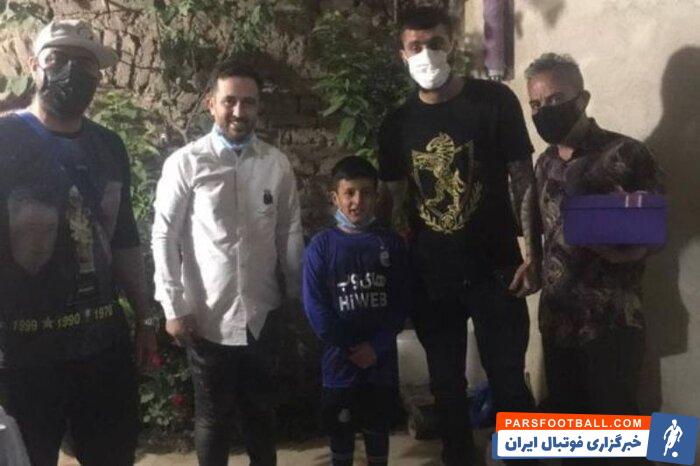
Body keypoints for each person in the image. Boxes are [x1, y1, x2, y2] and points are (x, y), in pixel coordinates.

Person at [377, 7, 541, 466]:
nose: (426, 53)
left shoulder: (494, 102)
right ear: (402, 54)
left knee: (508, 379)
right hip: (433, 277)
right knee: (446, 386)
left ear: (451, 45)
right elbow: (394, 203)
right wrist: (396, 268)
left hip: (498, 268)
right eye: (415, 46)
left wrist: (534, 252)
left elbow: (523, 181)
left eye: (435, 43)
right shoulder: (396, 125)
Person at [0, 19, 156, 466]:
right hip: (23, 358)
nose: (72, 71)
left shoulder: (109, 146)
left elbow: (123, 238)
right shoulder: (5, 140)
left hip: (103, 350)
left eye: (86, 63)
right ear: (34, 66)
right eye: (58, 59)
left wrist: (145, 316)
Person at [152, 60, 304, 466]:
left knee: (261, 415)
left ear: (258, 106)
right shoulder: (187, 163)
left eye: (248, 102)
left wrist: (296, 293)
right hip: (207, 318)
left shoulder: (276, 164)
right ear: (211, 103)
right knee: (213, 420)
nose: (239, 111)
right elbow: (164, 235)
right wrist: (173, 306)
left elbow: (289, 231)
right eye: (229, 101)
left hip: (262, 313)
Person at [525, 53, 663, 464]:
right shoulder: (544, 163)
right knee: (571, 435)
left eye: (555, 99)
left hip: (611, 321)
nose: (544, 111)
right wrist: (531, 266)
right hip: (557, 320)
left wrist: (623, 250)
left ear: (583, 98)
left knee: (618, 434)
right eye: (535, 104)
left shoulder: (628, 155)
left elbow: (656, 235)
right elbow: (546, 234)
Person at [302, 156, 408, 466]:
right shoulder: (321, 246)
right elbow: (316, 308)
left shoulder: (390, 243)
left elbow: (401, 301)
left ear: (377, 196)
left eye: (366, 193)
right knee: (341, 442)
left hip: (380, 366)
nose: (358, 201)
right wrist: (350, 347)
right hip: (340, 367)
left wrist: (376, 347)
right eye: (349, 193)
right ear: (335, 197)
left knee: (378, 438)